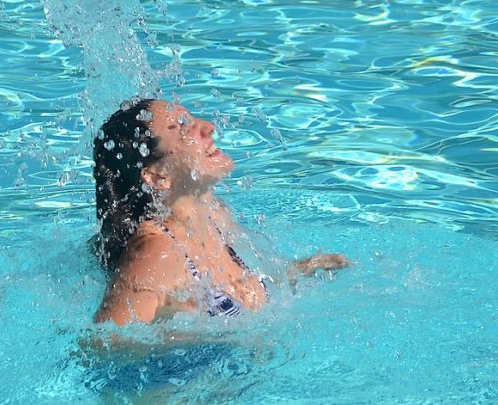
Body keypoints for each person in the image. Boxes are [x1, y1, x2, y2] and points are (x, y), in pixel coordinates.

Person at [91, 98, 348, 326]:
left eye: (191, 119)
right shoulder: (156, 253)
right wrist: (210, 340)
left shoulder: (216, 218)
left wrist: (304, 269)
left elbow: (243, 292)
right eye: (182, 127)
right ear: (157, 176)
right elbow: (102, 346)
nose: (208, 127)